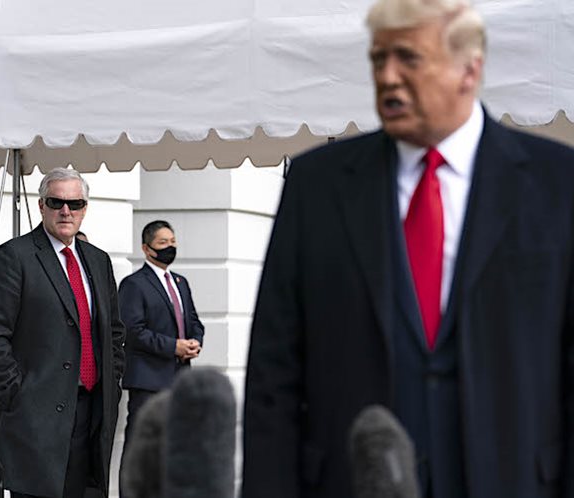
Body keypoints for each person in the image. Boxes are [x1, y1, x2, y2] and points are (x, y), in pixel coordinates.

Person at [242, 1, 574, 498]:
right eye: (378, 60)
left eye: (408, 58)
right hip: (349, 481)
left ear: (469, 69)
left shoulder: (557, 185)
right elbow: (275, 370)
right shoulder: (318, 186)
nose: (388, 77)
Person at [0, 167, 125, 498]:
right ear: (41, 206)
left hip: (91, 414)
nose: (66, 211)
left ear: (85, 208)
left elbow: (113, 331)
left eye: (75, 203)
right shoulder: (14, 257)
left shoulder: (98, 261)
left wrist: (111, 381)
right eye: (56, 202)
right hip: (34, 418)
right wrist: (14, 393)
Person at [118, 220, 205, 475]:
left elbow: (193, 321)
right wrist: (173, 347)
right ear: (146, 249)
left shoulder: (180, 282)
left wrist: (194, 342)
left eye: (173, 241)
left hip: (179, 380)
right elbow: (133, 331)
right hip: (148, 382)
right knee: (142, 450)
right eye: (163, 243)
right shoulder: (134, 284)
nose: (170, 247)